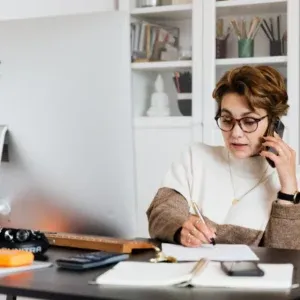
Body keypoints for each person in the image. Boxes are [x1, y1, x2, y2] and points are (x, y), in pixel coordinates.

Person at [146, 65, 300, 250]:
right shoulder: (195, 157)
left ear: (274, 124)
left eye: (249, 121)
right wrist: (181, 229)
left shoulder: (291, 180)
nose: (235, 133)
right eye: (227, 119)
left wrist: (288, 190)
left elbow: (283, 255)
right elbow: (161, 212)